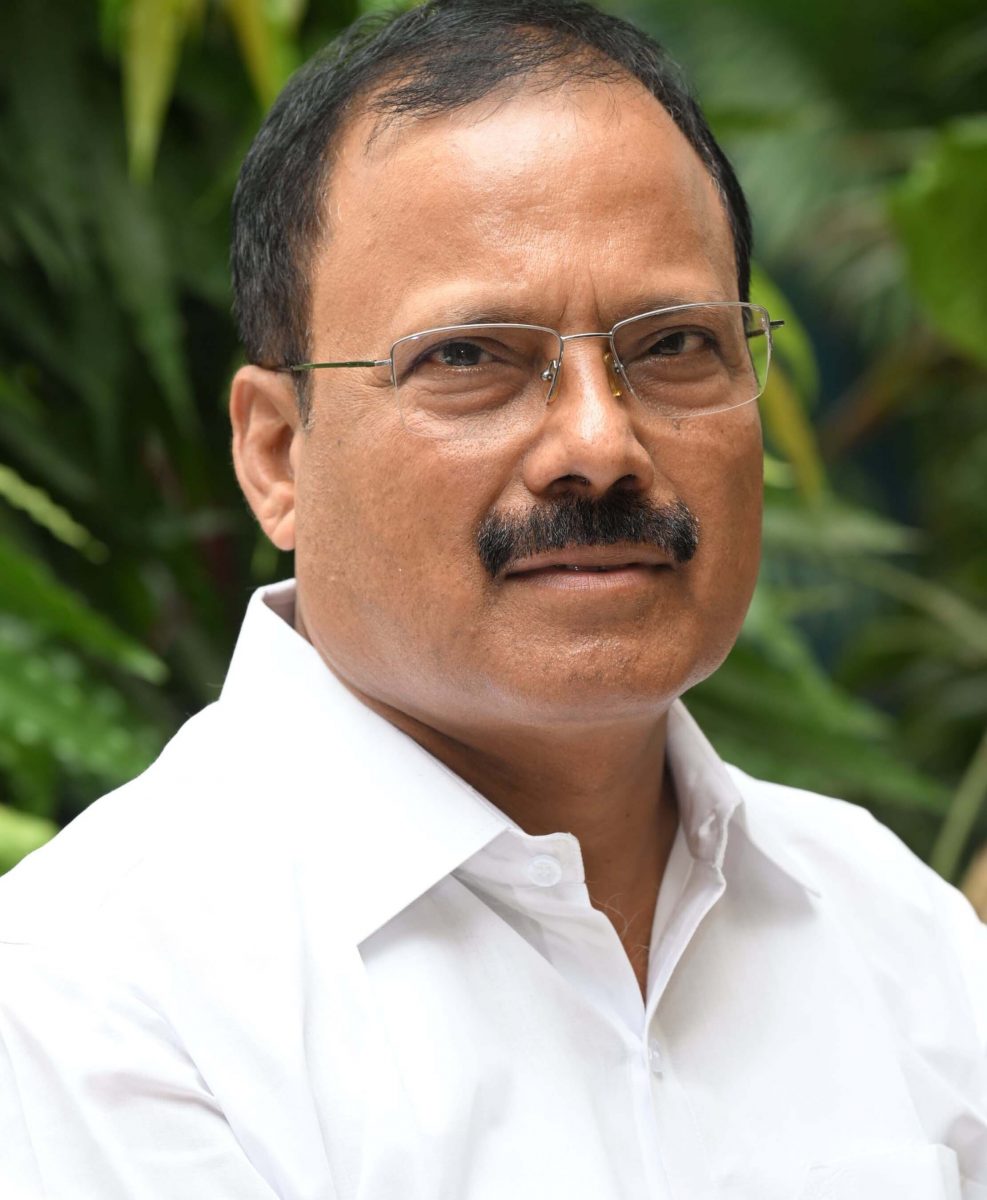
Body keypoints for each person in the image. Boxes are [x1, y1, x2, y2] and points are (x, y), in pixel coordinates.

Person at [1, 0, 985, 1196]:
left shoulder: (890, 928)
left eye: (674, 345)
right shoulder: (96, 997)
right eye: (469, 357)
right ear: (275, 454)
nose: (600, 445)